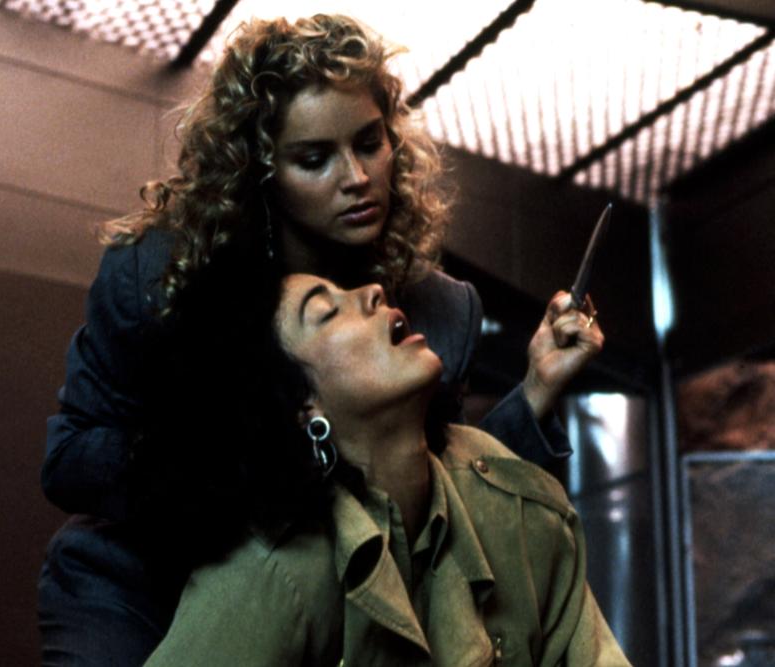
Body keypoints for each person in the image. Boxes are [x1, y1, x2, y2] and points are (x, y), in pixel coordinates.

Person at [37, 14, 604, 666]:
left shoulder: (439, 313)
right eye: (314, 159)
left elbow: (449, 487)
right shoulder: (157, 275)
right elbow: (70, 459)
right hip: (139, 587)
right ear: (260, 169)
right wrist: (251, 468)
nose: (356, 177)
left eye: (369, 142)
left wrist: (536, 390)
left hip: (324, 597)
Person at [142, 274, 629, 666]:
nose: (374, 291)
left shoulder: (514, 505)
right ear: (302, 407)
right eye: (327, 311)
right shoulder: (268, 578)